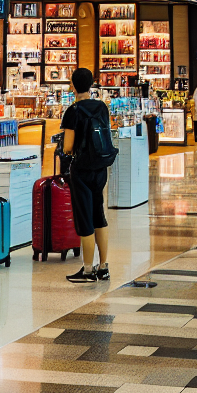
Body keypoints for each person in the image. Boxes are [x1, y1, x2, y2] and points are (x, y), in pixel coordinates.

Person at [60, 67, 115, 284]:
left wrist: (66, 149)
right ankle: (103, 267)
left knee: (84, 219)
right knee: (98, 215)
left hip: (81, 169)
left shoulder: (73, 111)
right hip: (100, 168)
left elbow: (68, 146)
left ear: (73, 86)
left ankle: (87, 270)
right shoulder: (102, 107)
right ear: (91, 84)